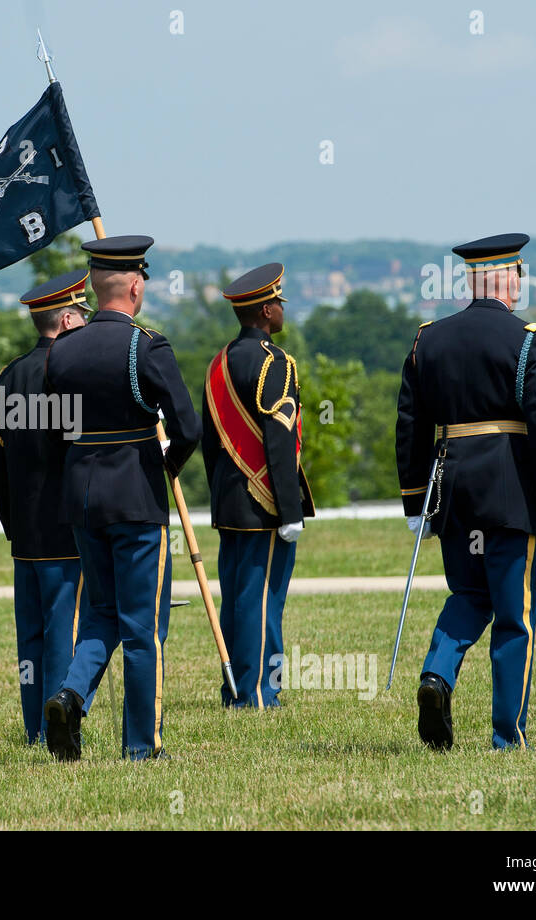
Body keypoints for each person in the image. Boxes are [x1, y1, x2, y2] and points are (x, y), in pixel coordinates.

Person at [396, 232, 536, 751]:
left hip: (452, 491)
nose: (520, 285)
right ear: (507, 277)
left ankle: (437, 675)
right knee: (514, 614)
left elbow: (410, 424)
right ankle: (506, 734)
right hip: (510, 494)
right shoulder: (529, 339)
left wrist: (414, 499)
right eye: (518, 275)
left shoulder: (429, 338)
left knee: (469, 594)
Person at [42, 235, 201, 761]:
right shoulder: (146, 346)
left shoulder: (62, 349)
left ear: (92, 285)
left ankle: (69, 695)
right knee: (142, 628)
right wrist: (165, 467)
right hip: (135, 497)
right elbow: (188, 427)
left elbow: (53, 429)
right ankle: (141, 745)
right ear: (135, 286)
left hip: (83, 501)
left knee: (100, 616)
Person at [0, 268, 95, 744]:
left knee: (30, 638)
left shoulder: (9, 375)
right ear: (69, 318)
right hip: (66, 528)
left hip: (26, 533)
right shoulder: (73, 373)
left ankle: (34, 726)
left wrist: (12, 523)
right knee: (62, 635)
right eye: (83, 314)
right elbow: (84, 453)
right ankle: (57, 727)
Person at [202, 263, 315, 710]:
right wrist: (289, 509)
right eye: (279, 304)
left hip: (229, 501)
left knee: (237, 600)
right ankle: (258, 694)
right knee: (264, 601)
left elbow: (212, 440)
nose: (283, 311)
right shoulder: (276, 362)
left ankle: (236, 687)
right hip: (264, 501)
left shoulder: (217, 363)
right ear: (267, 310)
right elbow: (279, 439)